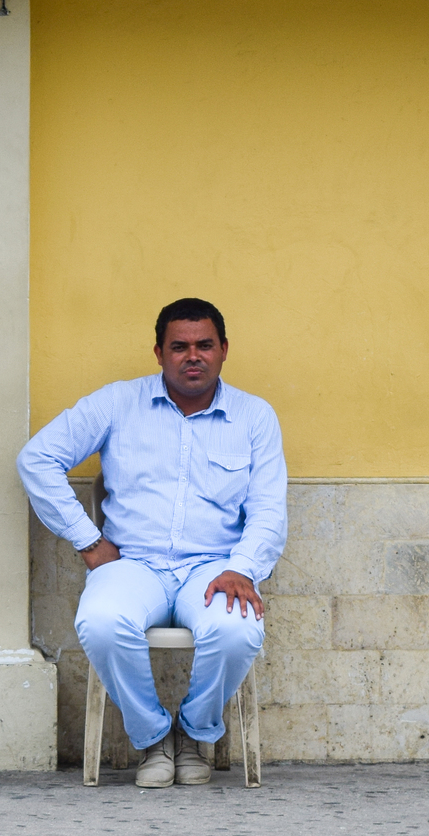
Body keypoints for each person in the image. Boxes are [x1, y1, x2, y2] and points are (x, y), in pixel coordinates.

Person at [18, 298, 286, 788]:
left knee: (236, 631)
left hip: (213, 567)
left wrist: (243, 567)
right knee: (100, 622)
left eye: (205, 345)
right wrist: (89, 542)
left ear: (224, 350)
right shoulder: (118, 402)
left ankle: (194, 732)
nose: (193, 356)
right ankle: (153, 738)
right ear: (159, 353)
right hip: (132, 563)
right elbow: (37, 459)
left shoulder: (254, 416)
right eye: (179, 346)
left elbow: (269, 506)